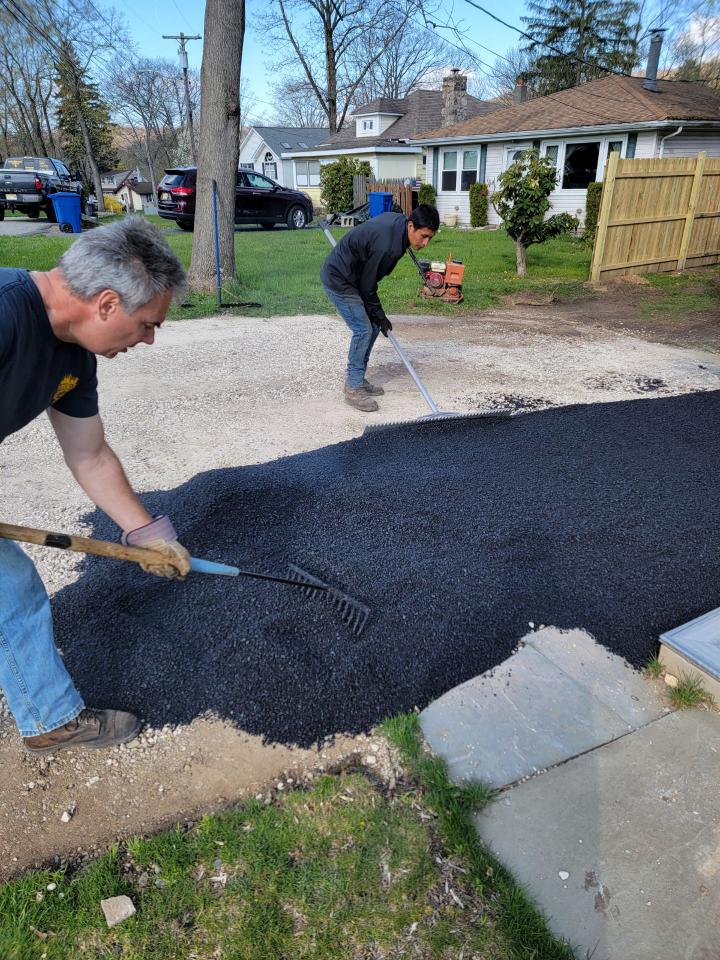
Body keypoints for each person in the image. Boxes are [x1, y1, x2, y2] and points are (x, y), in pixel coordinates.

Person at [0, 217, 191, 755]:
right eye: (148, 323)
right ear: (106, 304)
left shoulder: (75, 355)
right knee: (12, 591)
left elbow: (89, 454)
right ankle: (49, 718)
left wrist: (145, 532)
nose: (150, 339)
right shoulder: (4, 314)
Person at [321, 204, 440, 412]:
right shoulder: (389, 247)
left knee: (374, 327)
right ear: (410, 226)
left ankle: (357, 378)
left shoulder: (400, 225)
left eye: (430, 238)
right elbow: (368, 287)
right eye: (423, 236)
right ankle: (353, 387)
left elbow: (368, 281)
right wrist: (379, 314)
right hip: (339, 278)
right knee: (363, 329)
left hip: (354, 276)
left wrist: (378, 318)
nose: (425, 243)